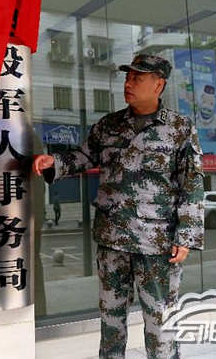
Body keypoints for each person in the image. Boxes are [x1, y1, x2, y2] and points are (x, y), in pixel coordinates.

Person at [32, 54, 204, 358]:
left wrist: (186, 236)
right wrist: (53, 162)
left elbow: (191, 183)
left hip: (157, 244)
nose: (128, 83)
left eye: (138, 78)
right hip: (112, 238)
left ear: (158, 85)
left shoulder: (179, 128)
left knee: (160, 321)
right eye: (127, 76)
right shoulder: (109, 125)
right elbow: (85, 156)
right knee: (111, 320)